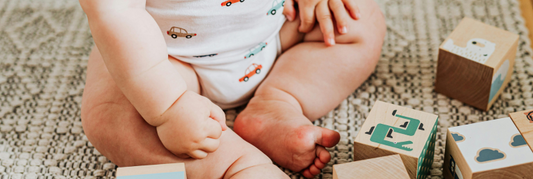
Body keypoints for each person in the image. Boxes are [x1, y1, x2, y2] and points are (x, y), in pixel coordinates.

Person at [79, 0, 385, 177]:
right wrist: (167, 107)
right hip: (163, 63)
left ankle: (278, 102)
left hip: (275, 33)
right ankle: (234, 167)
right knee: (108, 116)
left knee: (357, 18)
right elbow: (115, 14)